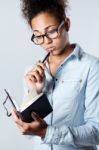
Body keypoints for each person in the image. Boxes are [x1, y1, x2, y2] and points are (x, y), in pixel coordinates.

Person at [11, 0, 99, 150]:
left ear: (66, 24)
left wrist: (47, 132)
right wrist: (35, 92)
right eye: (38, 36)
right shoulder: (31, 73)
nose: (46, 41)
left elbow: (96, 132)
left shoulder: (91, 67)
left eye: (51, 31)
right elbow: (31, 133)